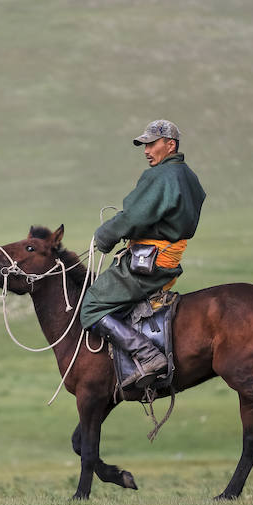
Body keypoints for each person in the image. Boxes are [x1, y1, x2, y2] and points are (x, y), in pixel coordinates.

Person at [79, 120, 206, 391]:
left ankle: (148, 355)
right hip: (168, 261)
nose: (146, 151)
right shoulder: (190, 177)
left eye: (152, 144)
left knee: (92, 306)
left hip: (148, 264)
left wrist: (105, 235)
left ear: (170, 145)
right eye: (144, 145)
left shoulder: (160, 176)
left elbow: (134, 216)